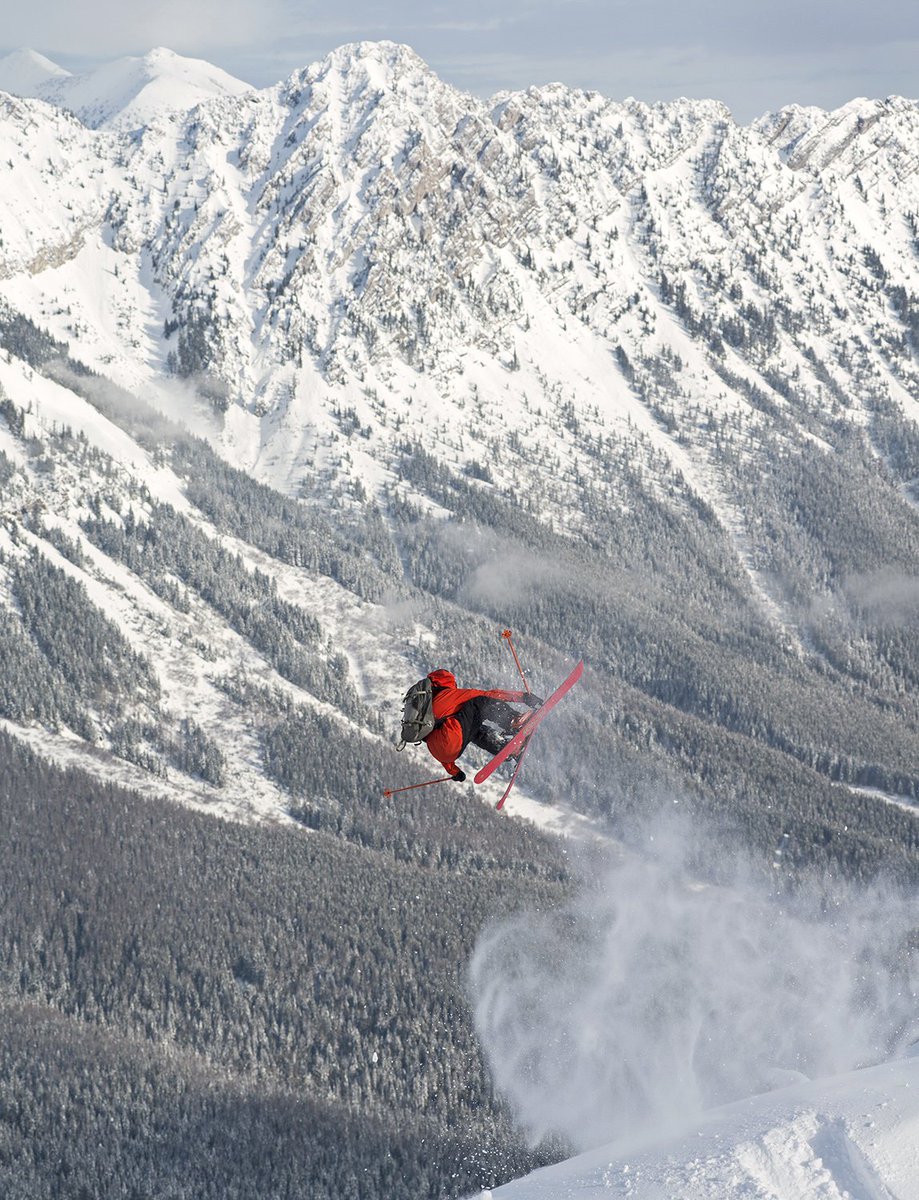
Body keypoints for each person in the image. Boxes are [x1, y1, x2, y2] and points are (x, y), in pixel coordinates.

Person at [422, 668, 543, 781]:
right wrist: (523, 697)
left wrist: (455, 772)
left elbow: (441, 744)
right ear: (446, 682)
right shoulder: (447, 696)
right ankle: (514, 721)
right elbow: (487, 695)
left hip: (443, 752)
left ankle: (503, 746)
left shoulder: (426, 710)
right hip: (451, 738)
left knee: (472, 726)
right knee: (479, 702)